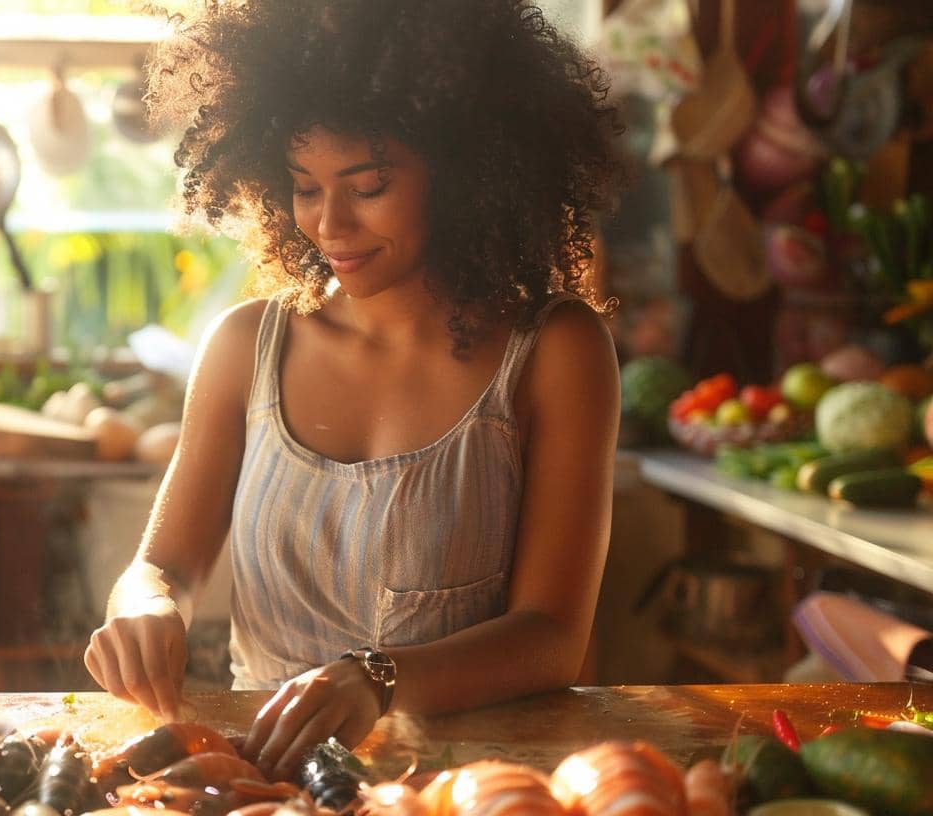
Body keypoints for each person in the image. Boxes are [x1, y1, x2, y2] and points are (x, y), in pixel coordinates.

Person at [85, 0, 627, 780]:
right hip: (262, 783)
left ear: (465, 173)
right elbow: (161, 566)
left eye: (368, 186)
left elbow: (552, 635)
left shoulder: (554, 351)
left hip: (468, 787)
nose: (329, 224)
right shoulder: (247, 346)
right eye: (304, 186)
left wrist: (378, 679)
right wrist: (144, 609)